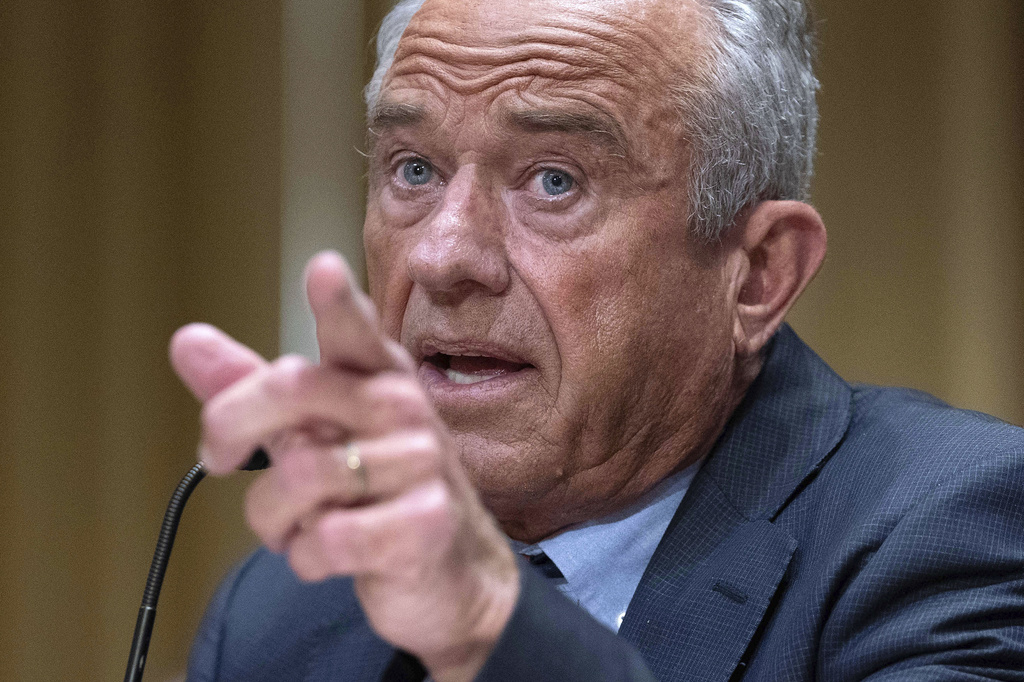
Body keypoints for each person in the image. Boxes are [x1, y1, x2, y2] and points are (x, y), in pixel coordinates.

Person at [175, 0, 1024, 680]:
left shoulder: (953, 537)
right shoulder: (283, 609)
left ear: (759, 273)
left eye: (554, 180)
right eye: (414, 170)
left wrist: (490, 625)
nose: (442, 255)